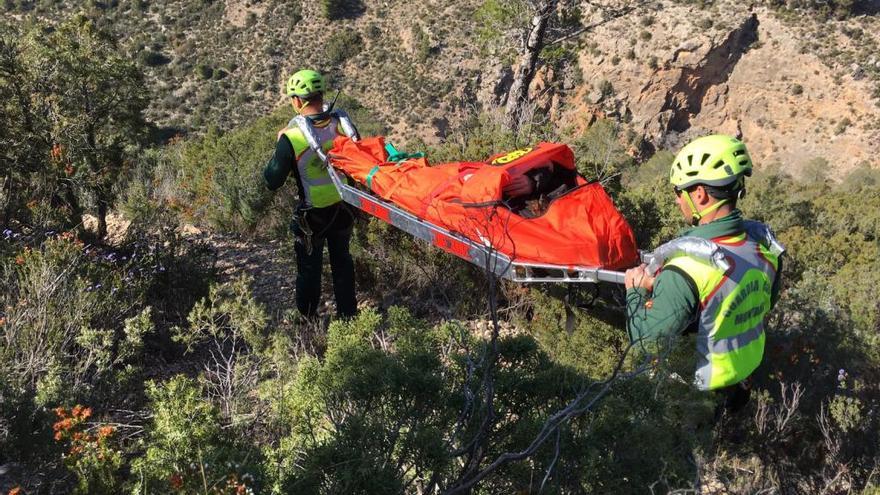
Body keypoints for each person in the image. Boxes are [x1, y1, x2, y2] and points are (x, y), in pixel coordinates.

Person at [623, 134, 783, 411]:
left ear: (700, 194)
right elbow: (759, 301)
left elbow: (645, 341)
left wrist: (635, 289)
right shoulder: (764, 247)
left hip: (700, 392)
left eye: (679, 192)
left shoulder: (688, 268)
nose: (677, 201)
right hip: (743, 374)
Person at [263, 69, 358, 319]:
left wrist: (279, 147)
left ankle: (308, 322)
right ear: (320, 95)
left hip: (312, 216)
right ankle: (349, 319)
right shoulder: (341, 125)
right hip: (344, 208)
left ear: (297, 101)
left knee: (309, 269)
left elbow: (272, 180)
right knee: (343, 263)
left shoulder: (292, 137)